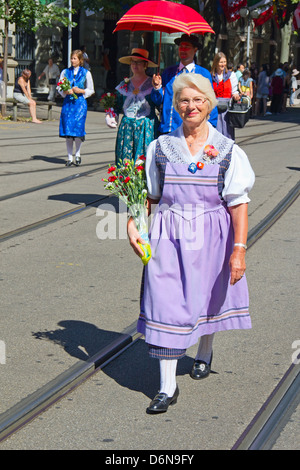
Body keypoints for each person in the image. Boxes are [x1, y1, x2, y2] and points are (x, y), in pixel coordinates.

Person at [127, 73, 255, 414]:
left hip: (213, 234)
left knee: (208, 296)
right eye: (184, 100)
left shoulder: (228, 151)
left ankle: (204, 350)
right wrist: (132, 222)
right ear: (176, 105)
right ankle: (167, 387)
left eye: (198, 100)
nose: (191, 106)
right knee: (165, 302)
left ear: (209, 104)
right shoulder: (160, 148)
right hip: (168, 234)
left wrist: (239, 251)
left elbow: (238, 204)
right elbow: (148, 196)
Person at [151, 34, 218, 134]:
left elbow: (210, 103)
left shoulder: (203, 74)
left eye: (187, 47)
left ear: (195, 50)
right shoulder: (168, 73)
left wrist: (211, 126)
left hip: (193, 131)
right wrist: (157, 88)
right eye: (181, 47)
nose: (183, 50)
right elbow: (158, 101)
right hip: (169, 129)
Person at [114, 48, 159, 165]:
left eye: (138, 62)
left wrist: (157, 89)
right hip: (127, 128)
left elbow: (159, 104)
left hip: (146, 127)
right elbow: (116, 105)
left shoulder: (153, 83)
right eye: (133, 62)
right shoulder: (124, 84)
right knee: (125, 162)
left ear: (145, 65)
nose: (135, 65)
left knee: (143, 162)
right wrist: (111, 115)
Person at [58, 49, 94, 166]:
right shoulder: (65, 72)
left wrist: (82, 90)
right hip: (68, 104)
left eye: (75, 58)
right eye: (71, 58)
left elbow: (91, 89)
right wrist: (65, 90)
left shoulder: (86, 73)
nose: (72, 61)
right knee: (68, 131)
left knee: (78, 130)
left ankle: (77, 154)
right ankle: (69, 157)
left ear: (80, 60)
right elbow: (59, 87)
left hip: (79, 104)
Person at [211, 52, 240, 139]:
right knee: (215, 132)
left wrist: (236, 96)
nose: (223, 64)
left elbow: (234, 91)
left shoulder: (231, 75)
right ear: (216, 63)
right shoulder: (210, 76)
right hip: (214, 108)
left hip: (227, 109)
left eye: (224, 62)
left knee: (227, 132)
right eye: (221, 62)